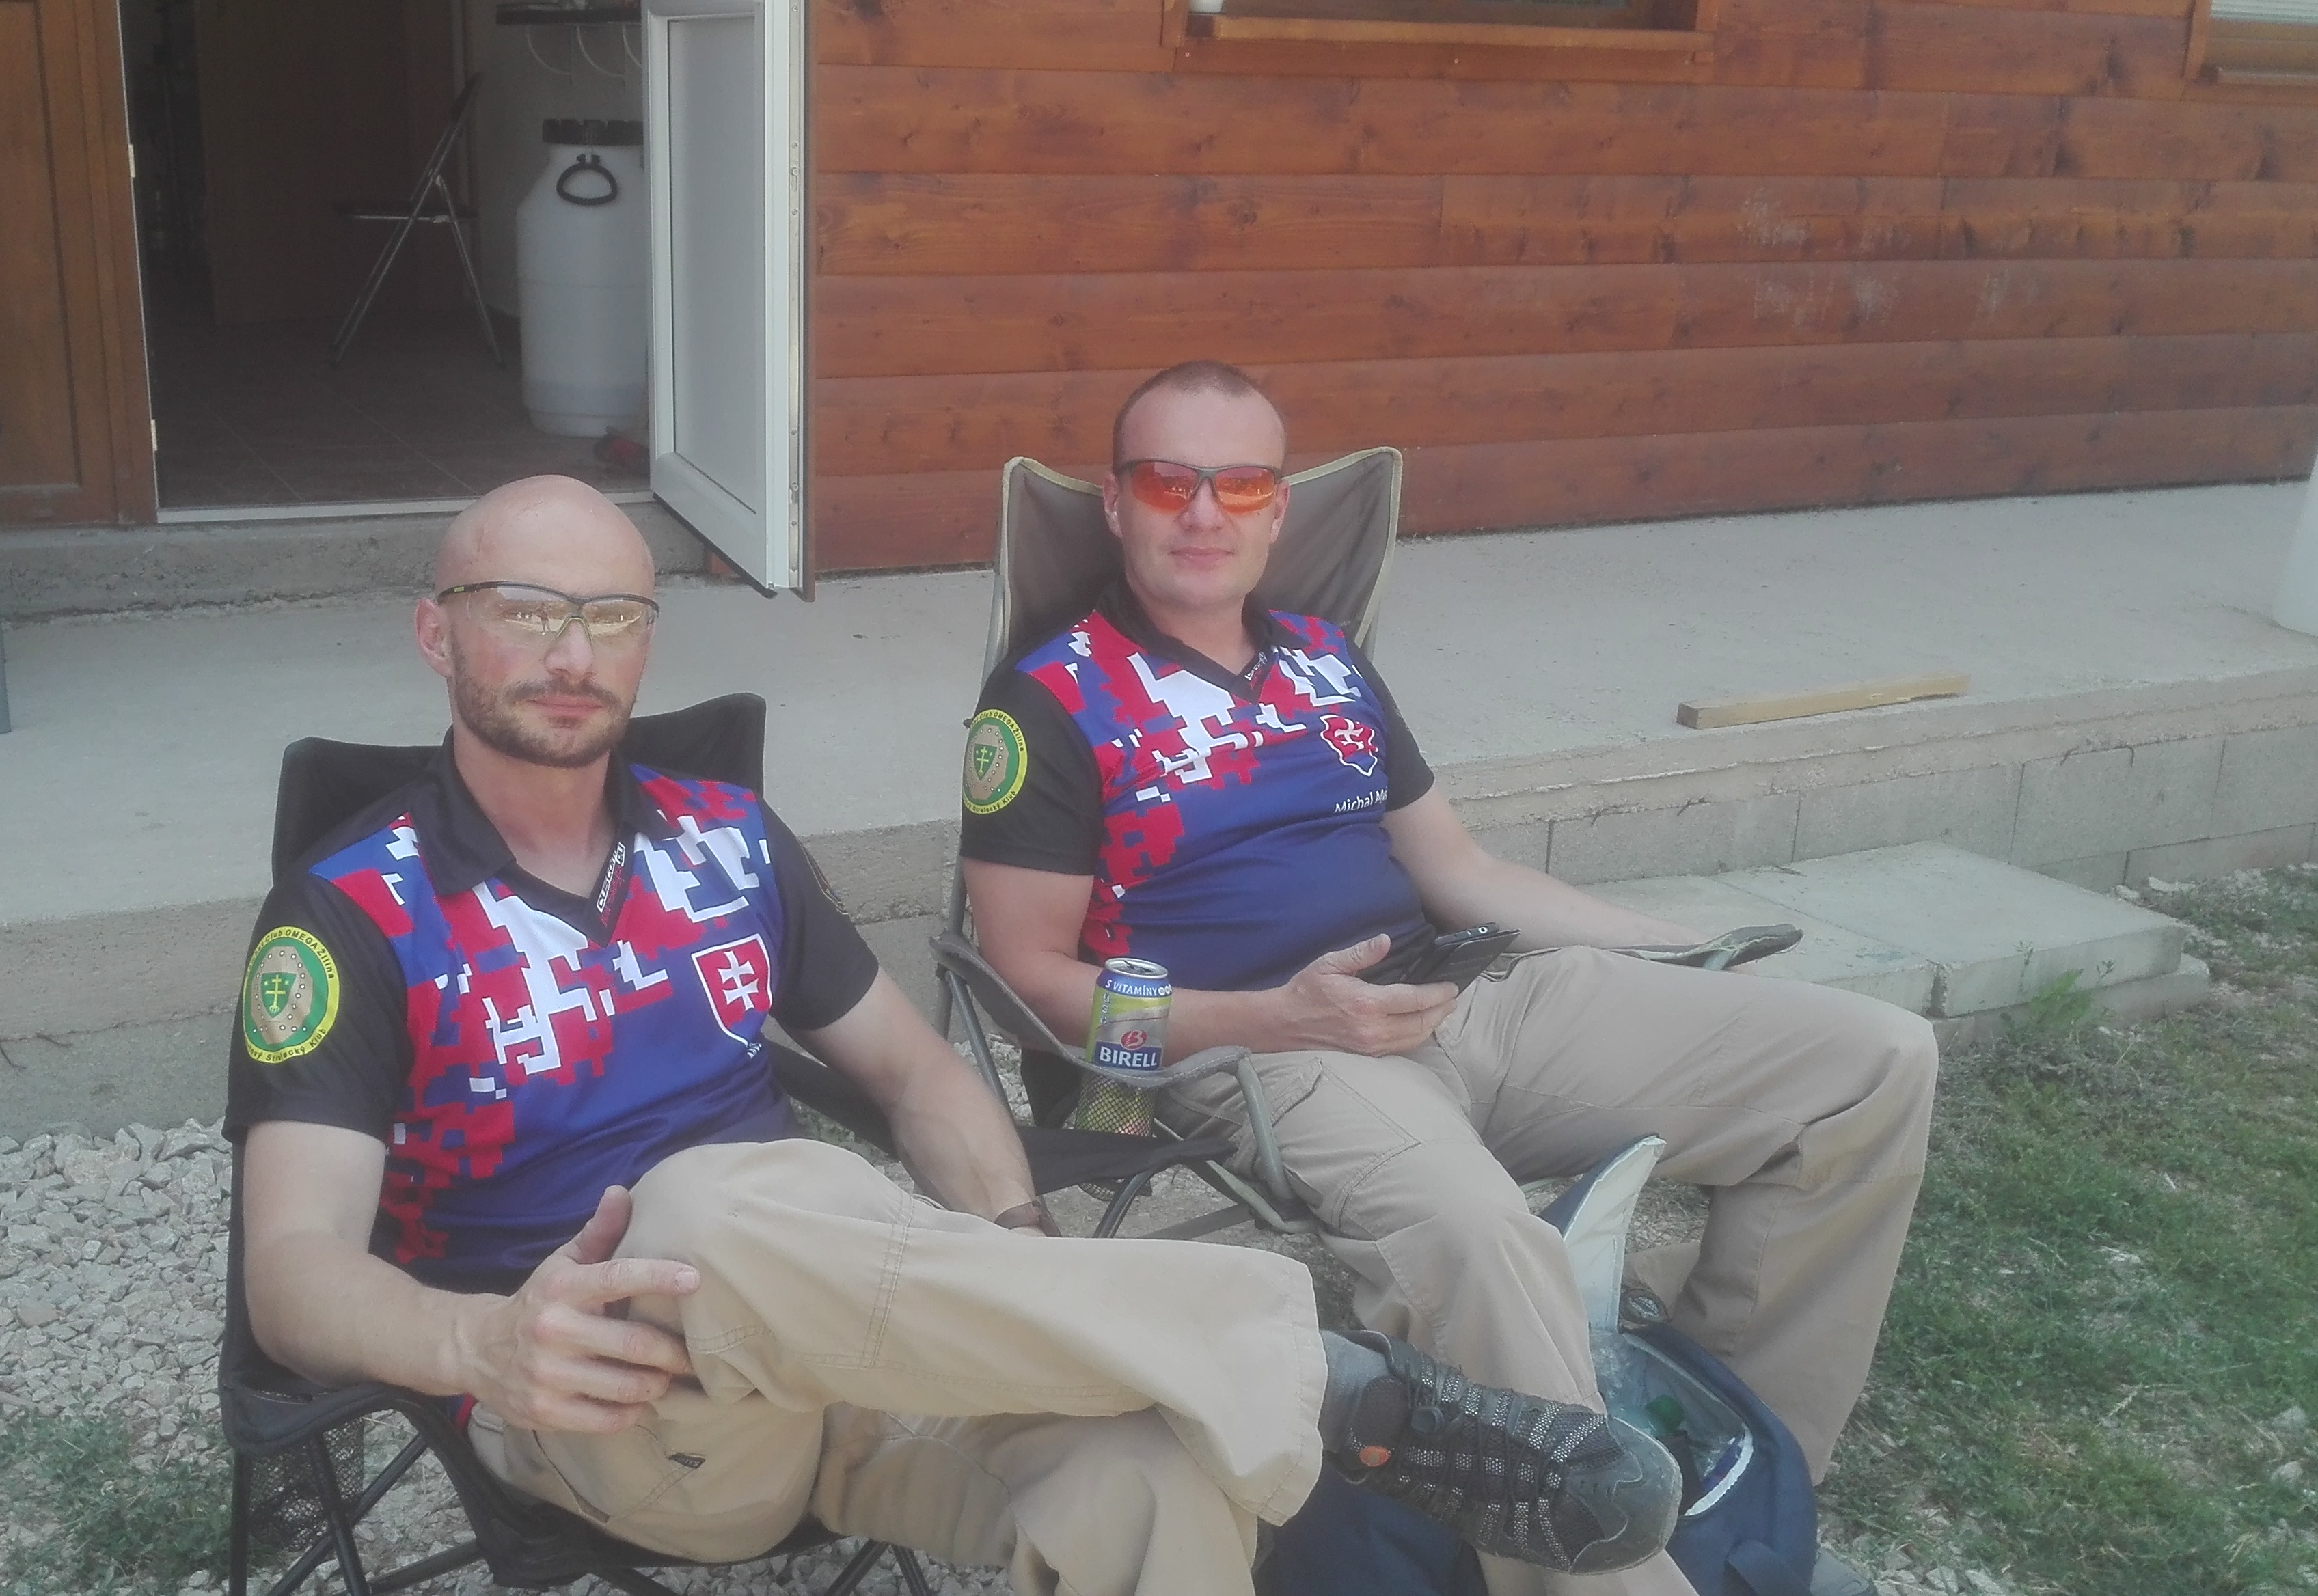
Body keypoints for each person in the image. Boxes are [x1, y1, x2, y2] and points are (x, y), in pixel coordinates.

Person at [223, 476, 1686, 1596]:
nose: (570, 649)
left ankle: (1294, 1383)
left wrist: (1016, 1255)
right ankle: (1318, 1369)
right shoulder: (352, 915)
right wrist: (479, 1339)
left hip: (850, 1346)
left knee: (1149, 1470)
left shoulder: (727, 839)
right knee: (701, 1208)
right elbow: (289, 1272)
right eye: (523, 608)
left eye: (610, 614)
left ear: (646, 643)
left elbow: (917, 1070)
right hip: (620, 1399)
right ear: (437, 632)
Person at [959, 364, 1940, 1596]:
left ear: (1279, 511)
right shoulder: (1046, 703)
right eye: (1169, 481)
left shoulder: (1329, 660)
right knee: (1481, 1240)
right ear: (1115, 503)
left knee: (1869, 1066)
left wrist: (1669, 942)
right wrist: (1276, 1015)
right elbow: (1029, 981)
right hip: (1264, 1053)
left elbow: (1460, 870)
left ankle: (1738, 1511)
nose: (1204, 512)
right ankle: (1628, 1580)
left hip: (1466, 1000)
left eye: (1241, 484)